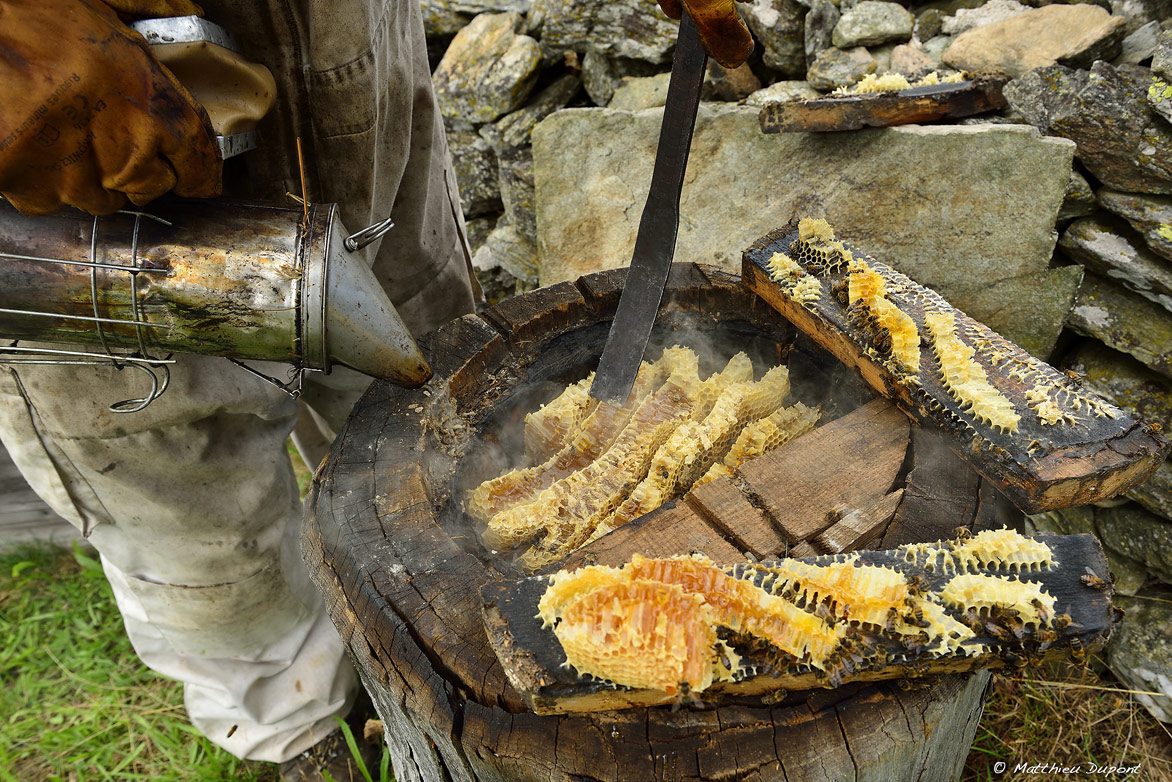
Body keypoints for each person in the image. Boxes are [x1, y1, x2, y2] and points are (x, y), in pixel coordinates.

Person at [0, 0, 751, 779]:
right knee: (180, 490)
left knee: (435, 382)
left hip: (339, 46)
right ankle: (300, 737)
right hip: (69, 123)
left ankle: (463, 655)